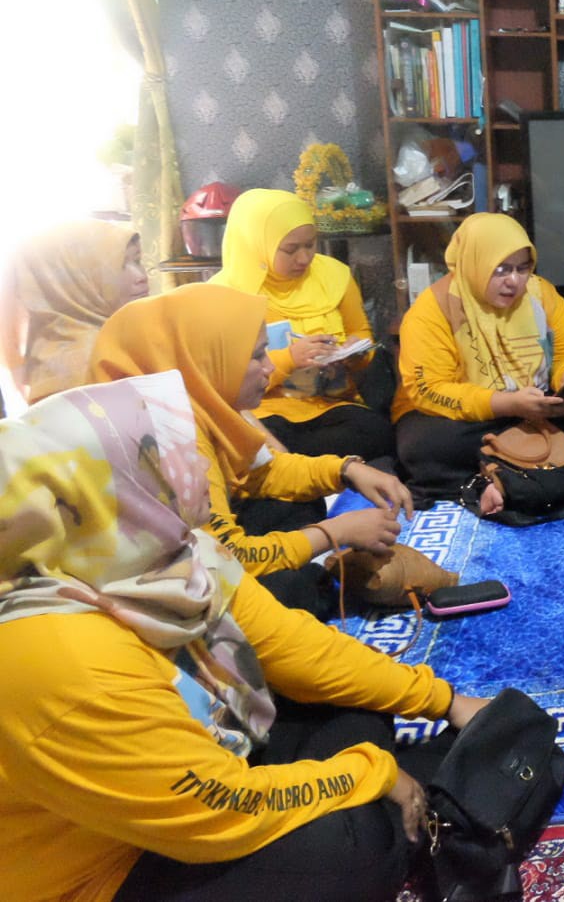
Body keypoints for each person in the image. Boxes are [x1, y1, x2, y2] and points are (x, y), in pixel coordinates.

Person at [0, 372, 491, 902]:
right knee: (347, 847)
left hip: (193, 771)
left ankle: (396, 814)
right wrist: (366, 775)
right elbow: (215, 811)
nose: (198, 474)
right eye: (169, 460)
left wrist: (443, 700)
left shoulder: (168, 556)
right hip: (109, 864)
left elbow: (293, 646)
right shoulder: (59, 657)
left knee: (350, 701)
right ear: (105, 494)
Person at [90, 284, 411, 614]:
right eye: (257, 356)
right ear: (206, 360)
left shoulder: (202, 404)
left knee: (300, 501)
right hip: (176, 578)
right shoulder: (174, 437)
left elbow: (262, 472)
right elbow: (225, 557)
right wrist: (335, 532)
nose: (271, 368)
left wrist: (346, 470)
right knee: (286, 592)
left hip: (205, 545)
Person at [393, 212, 564, 513]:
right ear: (474, 263)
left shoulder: (541, 293)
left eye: (523, 268)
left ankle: (501, 471)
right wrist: (507, 404)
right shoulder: (431, 310)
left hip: (534, 405)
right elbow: (430, 390)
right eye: (501, 270)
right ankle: (544, 459)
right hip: (459, 417)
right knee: (422, 446)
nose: (514, 281)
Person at [212, 187, 395, 461]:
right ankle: (306, 468)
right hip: (264, 412)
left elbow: (360, 332)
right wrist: (290, 359)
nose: (304, 258)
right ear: (257, 244)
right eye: (290, 249)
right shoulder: (224, 294)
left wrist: (351, 354)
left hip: (328, 404)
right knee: (250, 445)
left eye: (310, 245)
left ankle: (301, 467)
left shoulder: (334, 276)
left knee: (378, 433)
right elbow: (225, 379)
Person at [0, 218, 148, 405]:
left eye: (137, 261)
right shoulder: (83, 366)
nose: (141, 277)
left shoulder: (58, 349)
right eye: (121, 265)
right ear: (74, 281)